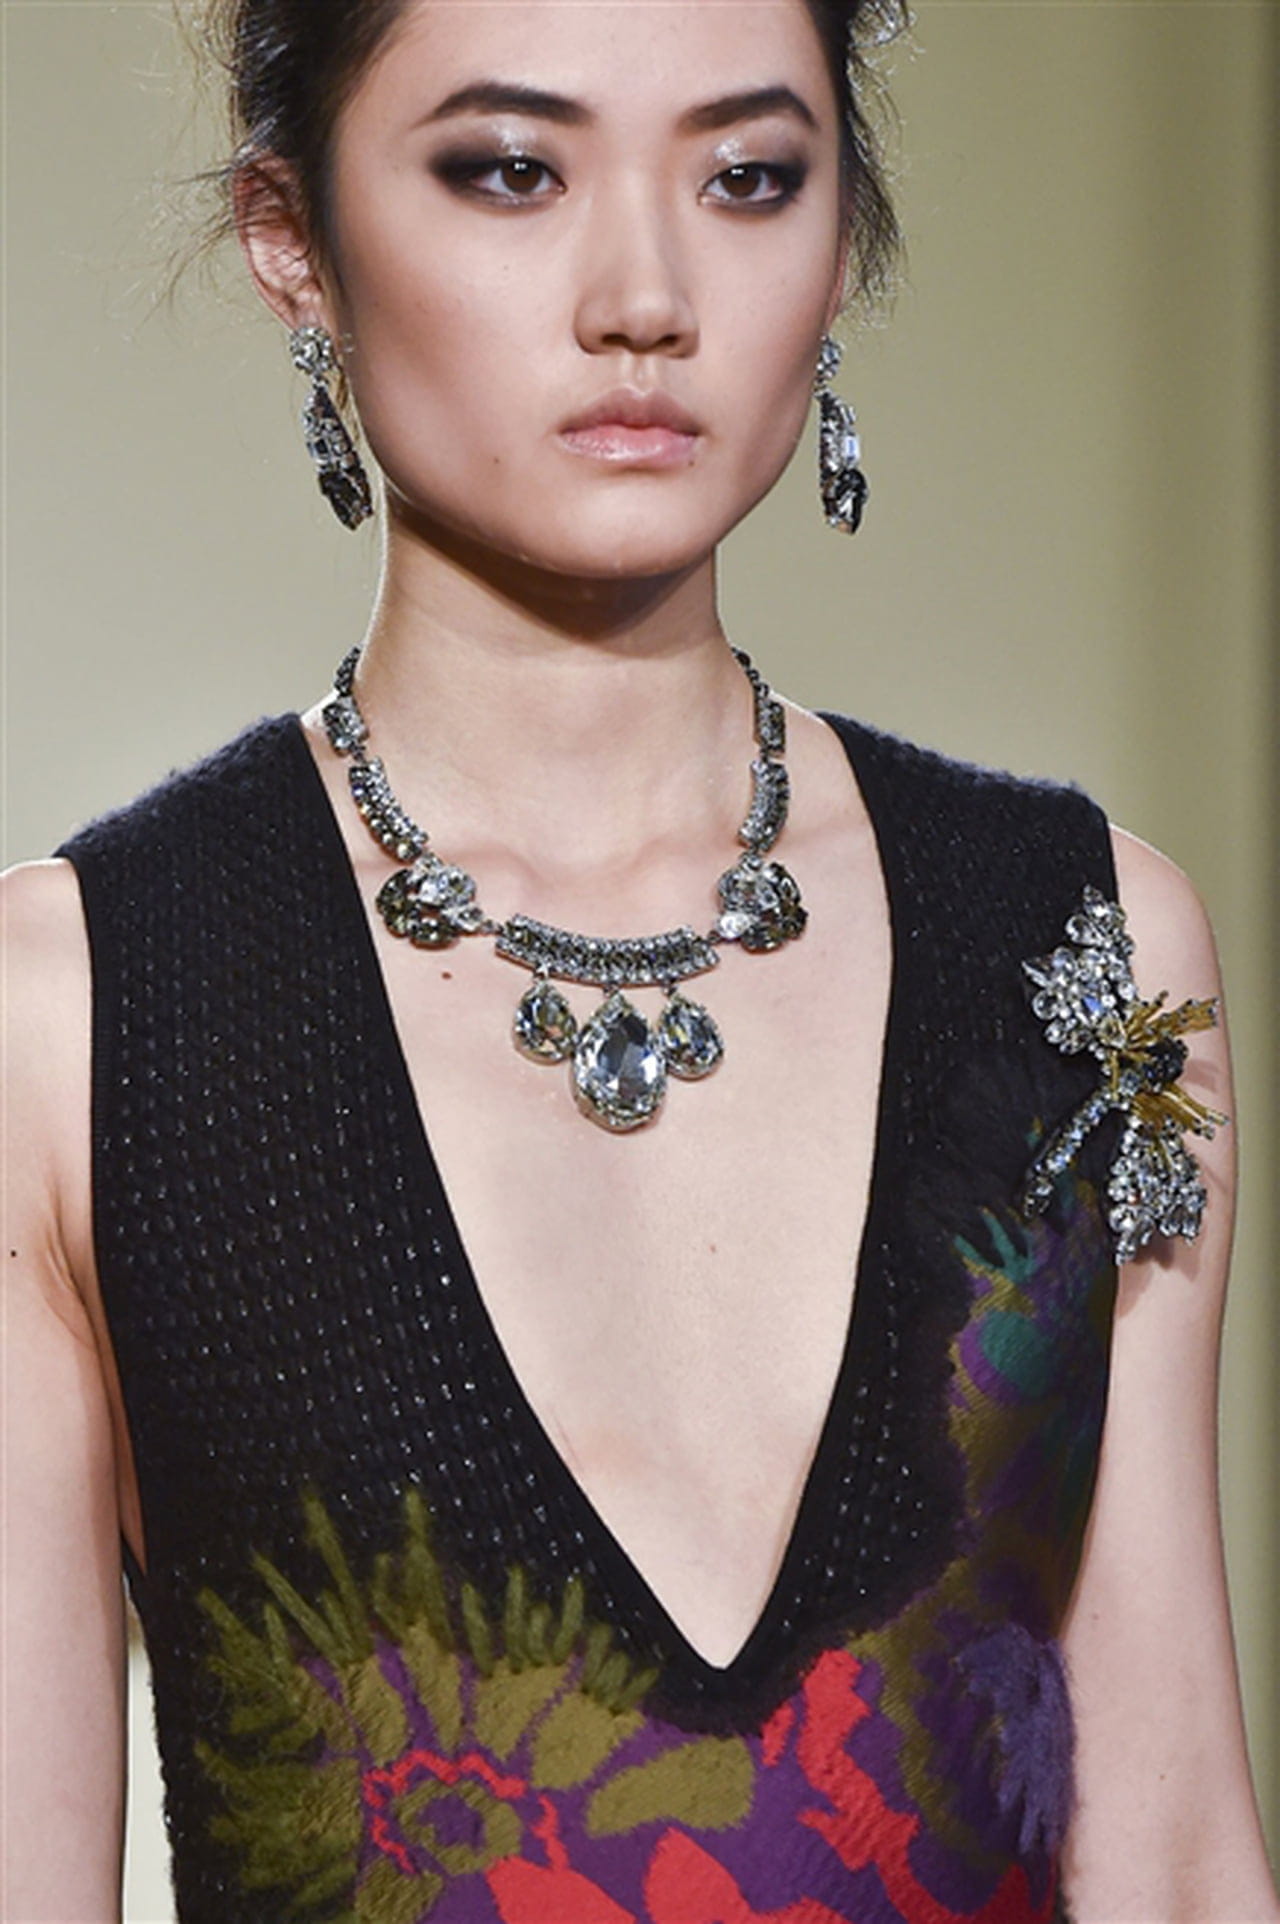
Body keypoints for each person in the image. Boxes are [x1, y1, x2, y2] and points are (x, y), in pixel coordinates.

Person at [3, 1, 1277, 1919]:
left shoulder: (1083, 949)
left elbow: (1172, 1858)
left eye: (748, 177)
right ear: (292, 237)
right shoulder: (76, 1013)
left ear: (839, 235)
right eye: (512, 170)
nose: (645, 298)